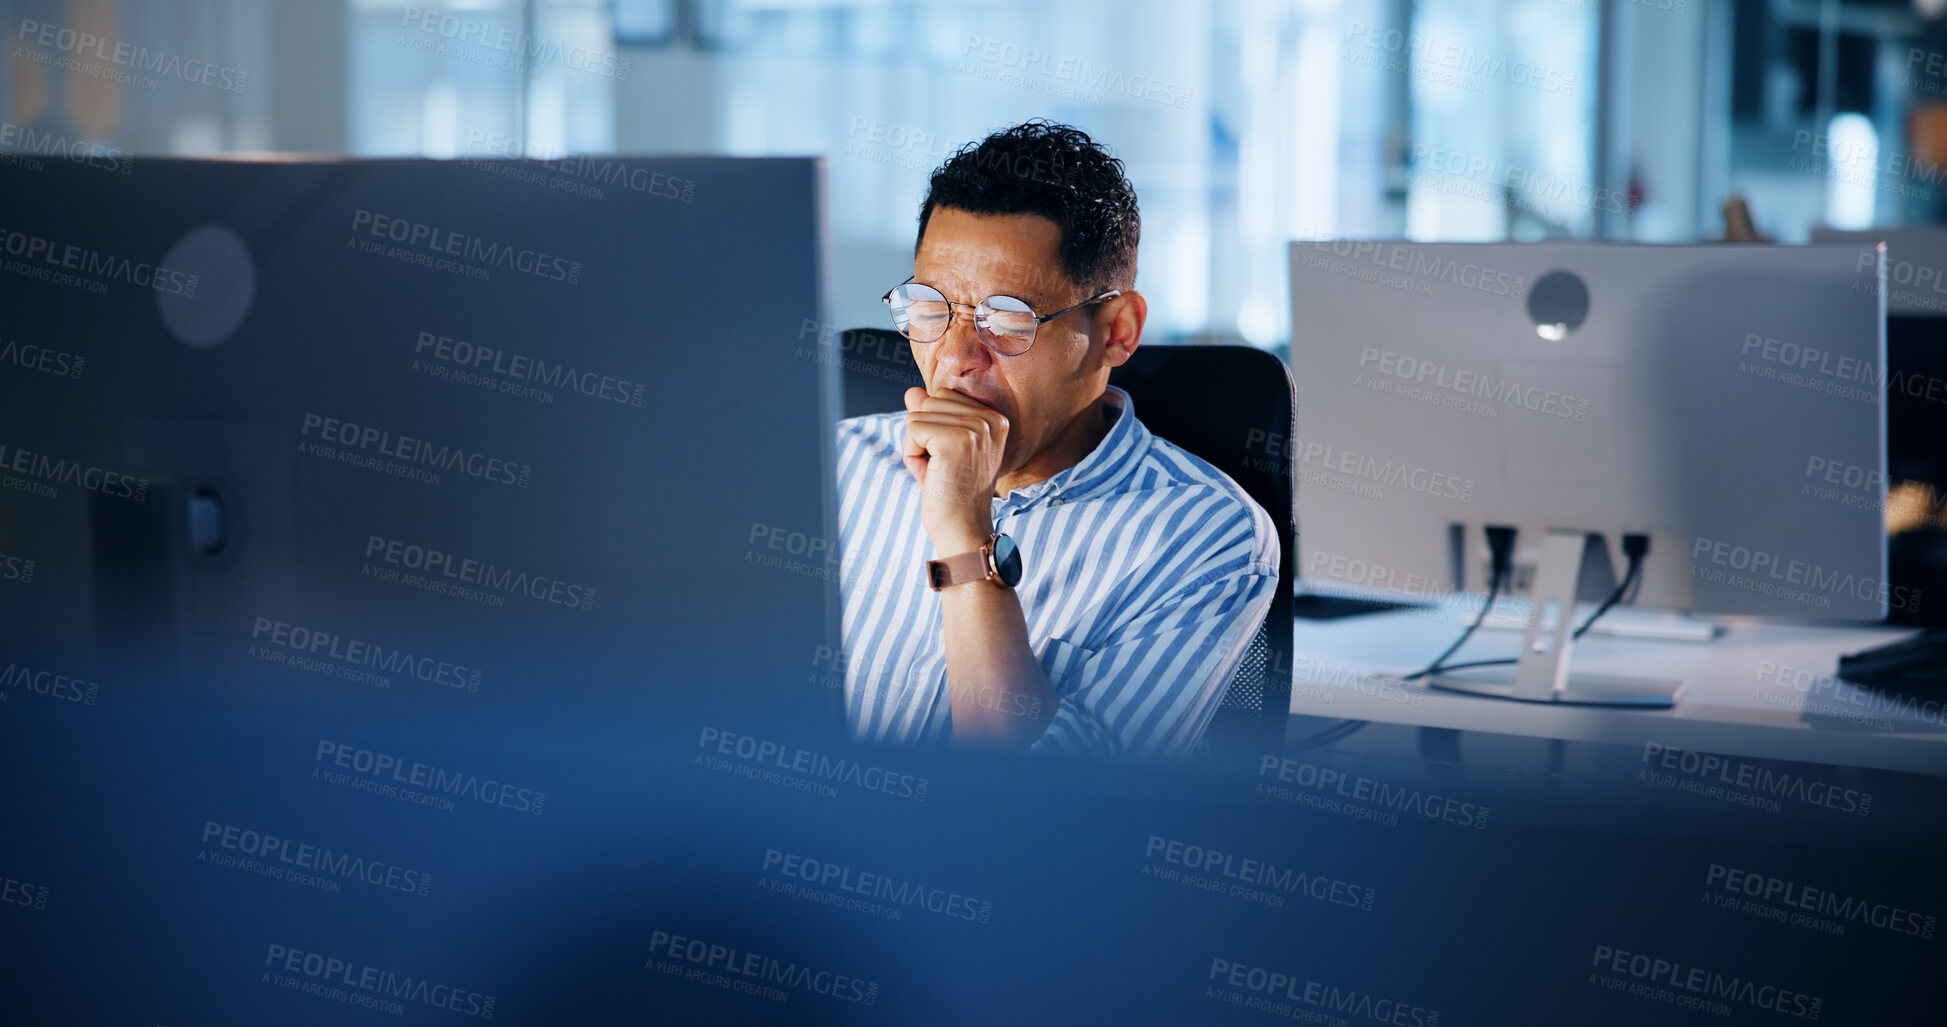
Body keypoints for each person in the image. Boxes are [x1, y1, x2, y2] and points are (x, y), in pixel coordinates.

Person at [832, 120, 1279, 761]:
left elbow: (1038, 816)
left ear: (1117, 331)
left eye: (1007, 318)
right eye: (930, 308)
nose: (955, 358)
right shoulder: (838, 464)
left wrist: (965, 539)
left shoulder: (1208, 534)